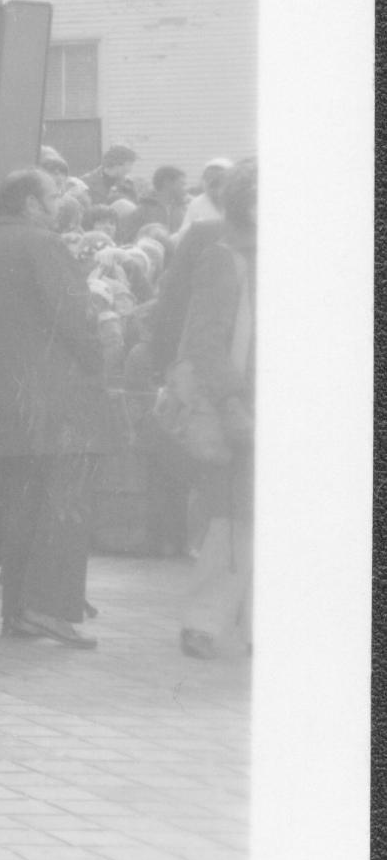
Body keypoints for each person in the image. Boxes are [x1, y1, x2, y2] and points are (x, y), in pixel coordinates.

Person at [0, 168, 113, 648]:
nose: (58, 202)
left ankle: (20, 611)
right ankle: (47, 609)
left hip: (6, 398)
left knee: (22, 508)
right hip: (55, 400)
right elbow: (74, 314)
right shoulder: (42, 245)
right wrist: (99, 351)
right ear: (29, 203)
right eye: (51, 195)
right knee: (61, 506)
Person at [174, 160, 256, 659]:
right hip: (241, 402)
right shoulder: (226, 258)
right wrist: (230, 401)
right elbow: (202, 338)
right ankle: (204, 620)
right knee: (231, 515)